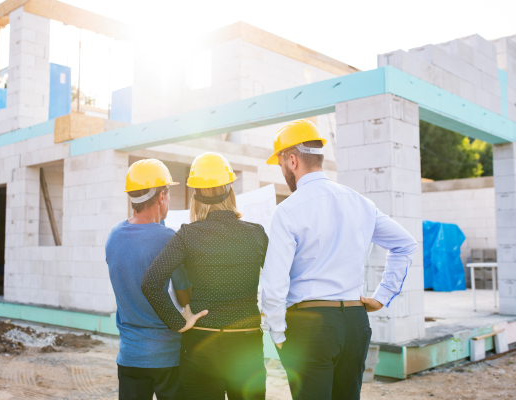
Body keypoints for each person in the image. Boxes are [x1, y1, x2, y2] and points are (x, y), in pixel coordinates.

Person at [260, 119, 417, 400]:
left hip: (309, 326)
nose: (282, 170)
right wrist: (383, 296)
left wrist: (278, 334)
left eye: (281, 163)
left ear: (292, 160)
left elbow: (275, 281)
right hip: (355, 324)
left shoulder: (287, 210)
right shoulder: (361, 203)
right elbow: (405, 244)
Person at [141, 152, 268, 400]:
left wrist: (178, 322)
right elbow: (279, 281)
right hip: (246, 343)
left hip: (201, 344)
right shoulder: (256, 233)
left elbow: (150, 282)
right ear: (231, 191)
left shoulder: (186, 235)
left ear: (195, 196)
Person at [106, 159, 192, 400]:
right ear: (162, 196)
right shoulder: (167, 238)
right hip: (167, 357)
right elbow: (184, 293)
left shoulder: (114, 236)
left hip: (130, 357)